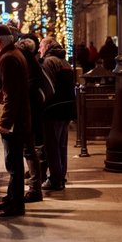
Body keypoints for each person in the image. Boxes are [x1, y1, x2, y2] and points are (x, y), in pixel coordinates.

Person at [0, 25, 30, 217]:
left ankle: (16, 205)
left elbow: (11, 95)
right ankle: (12, 198)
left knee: (13, 163)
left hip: (13, 122)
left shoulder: (8, 59)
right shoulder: (11, 55)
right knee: (13, 162)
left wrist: (4, 123)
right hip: (16, 119)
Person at [14, 36, 52, 203]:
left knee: (32, 147)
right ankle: (36, 181)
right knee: (32, 147)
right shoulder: (32, 61)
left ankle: (35, 184)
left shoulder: (27, 63)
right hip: (33, 108)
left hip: (30, 110)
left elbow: (29, 85)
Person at [39, 37, 75, 191]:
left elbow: (48, 87)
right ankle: (61, 176)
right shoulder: (65, 62)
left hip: (53, 109)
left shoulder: (49, 62)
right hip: (67, 109)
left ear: (47, 46)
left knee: (52, 146)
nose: (40, 49)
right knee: (61, 145)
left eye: (41, 46)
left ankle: (55, 179)